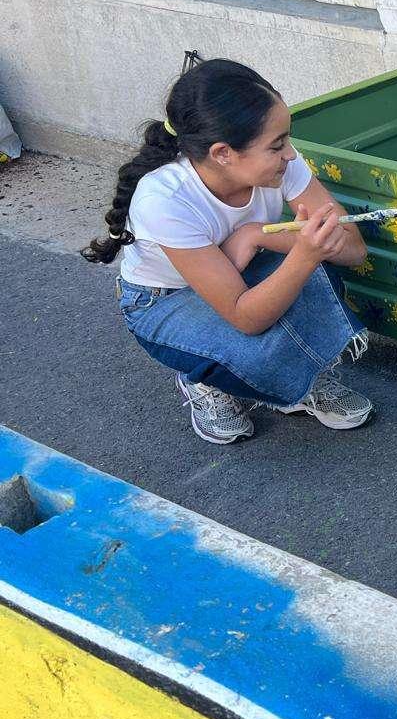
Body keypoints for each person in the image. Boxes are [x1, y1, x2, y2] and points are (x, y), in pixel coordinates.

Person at [82, 52, 373, 444]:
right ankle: (207, 383)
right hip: (164, 300)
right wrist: (304, 252)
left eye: (287, 139)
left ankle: (299, 379)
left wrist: (257, 233)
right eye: (276, 145)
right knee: (257, 342)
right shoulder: (164, 199)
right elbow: (246, 317)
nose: (290, 154)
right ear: (222, 153)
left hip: (241, 271)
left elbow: (354, 250)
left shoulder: (282, 162)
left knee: (320, 274)